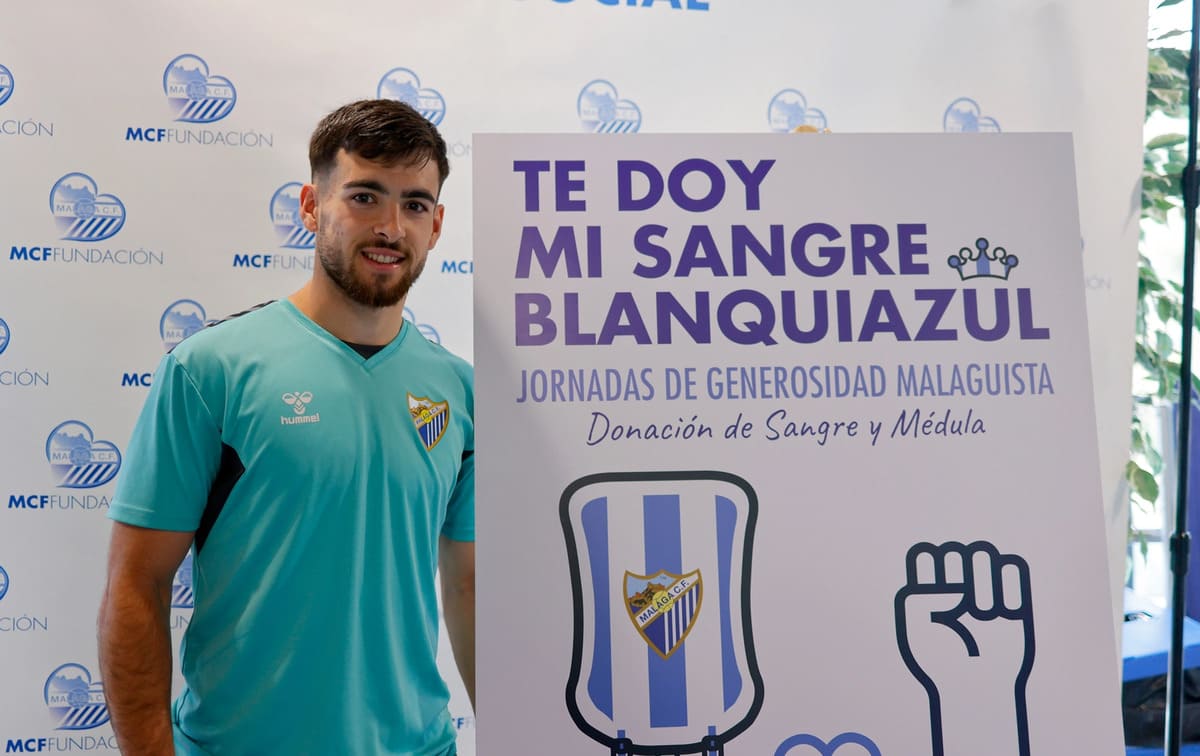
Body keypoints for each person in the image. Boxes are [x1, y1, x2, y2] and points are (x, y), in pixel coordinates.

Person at [97, 99, 475, 756]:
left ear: (437, 225)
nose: (391, 226)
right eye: (365, 197)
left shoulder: (461, 391)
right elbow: (138, 584)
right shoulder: (210, 370)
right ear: (310, 206)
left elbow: (470, 586)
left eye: (415, 205)